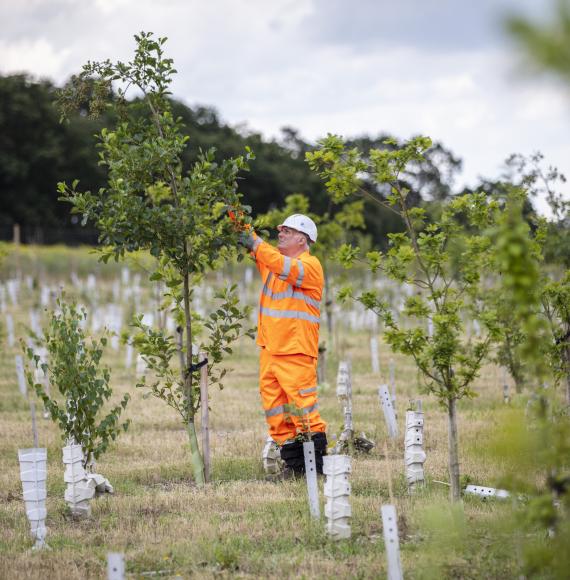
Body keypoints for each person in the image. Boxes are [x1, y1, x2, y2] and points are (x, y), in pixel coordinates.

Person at [237, 213, 328, 478]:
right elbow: (260, 252)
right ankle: (294, 468)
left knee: (303, 409)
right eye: (281, 230)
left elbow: (273, 259)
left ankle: (315, 470)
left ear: (302, 239)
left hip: (296, 350)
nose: (281, 234)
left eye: (287, 231)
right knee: (276, 412)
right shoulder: (274, 265)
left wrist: (255, 242)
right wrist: (235, 215)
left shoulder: (310, 266)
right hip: (270, 350)